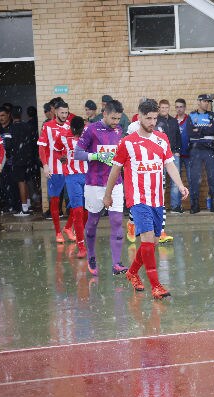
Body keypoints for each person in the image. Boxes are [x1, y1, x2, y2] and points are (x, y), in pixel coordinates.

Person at [104, 99, 189, 299]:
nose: (152, 122)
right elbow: (115, 170)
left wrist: (180, 184)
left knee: (153, 242)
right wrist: (108, 195)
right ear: (139, 117)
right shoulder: (127, 143)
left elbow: (170, 164)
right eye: (148, 118)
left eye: (155, 118)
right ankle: (156, 285)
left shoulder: (162, 139)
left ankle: (132, 272)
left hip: (157, 199)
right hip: (138, 199)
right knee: (148, 240)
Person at [75, 99, 128, 276]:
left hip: (115, 183)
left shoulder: (119, 130)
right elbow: (78, 153)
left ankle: (117, 263)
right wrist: (96, 156)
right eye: (113, 118)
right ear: (104, 113)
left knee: (117, 221)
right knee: (93, 222)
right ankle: (91, 255)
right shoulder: (91, 129)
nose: (116, 122)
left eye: (118, 119)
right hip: (94, 184)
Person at [38, 101, 74, 242]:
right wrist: (45, 165)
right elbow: (42, 147)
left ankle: (68, 227)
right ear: (56, 112)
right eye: (62, 113)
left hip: (69, 169)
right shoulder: (47, 126)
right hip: (54, 169)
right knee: (54, 201)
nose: (64, 115)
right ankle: (58, 232)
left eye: (66, 113)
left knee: (77, 201)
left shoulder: (69, 127)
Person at [55, 116, 87, 258]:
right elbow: (57, 149)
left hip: (88, 176)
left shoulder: (89, 134)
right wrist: (61, 157)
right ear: (71, 128)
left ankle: (79, 234)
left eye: (79, 131)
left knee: (88, 211)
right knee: (78, 211)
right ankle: (81, 247)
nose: (77, 133)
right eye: (75, 131)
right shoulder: (62, 136)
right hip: (72, 177)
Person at [154, 99, 181, 243]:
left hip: (172, 155)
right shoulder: (155, 121)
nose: (164, 109)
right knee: (160, 187)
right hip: (158, 157)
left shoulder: (173, 121)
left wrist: (177, 151)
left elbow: (177, 136)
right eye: (162, 107)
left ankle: (175, 207)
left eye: (166, 107)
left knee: (175, 182)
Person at [188, 94, 214, 213]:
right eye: (205, 101)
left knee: (212, 178)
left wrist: (198, 130)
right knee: (195, 178)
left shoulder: (212, 115)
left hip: (209, 149)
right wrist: (205, 129)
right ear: (199, 102)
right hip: (195, 150)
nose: (207, 103)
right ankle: (194, 206)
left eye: (208, 102)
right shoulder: (191, 115)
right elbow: (190, 132)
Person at [172, 98, 191, 214]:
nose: (179, 109)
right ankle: (176, 206)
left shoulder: (189, 120)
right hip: (176, 155)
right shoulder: (173, 121)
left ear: (184, 108)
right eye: (177, 107)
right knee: (176, 181)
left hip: (189, 155)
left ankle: (193, 205)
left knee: (191, 180)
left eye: (181, 107)